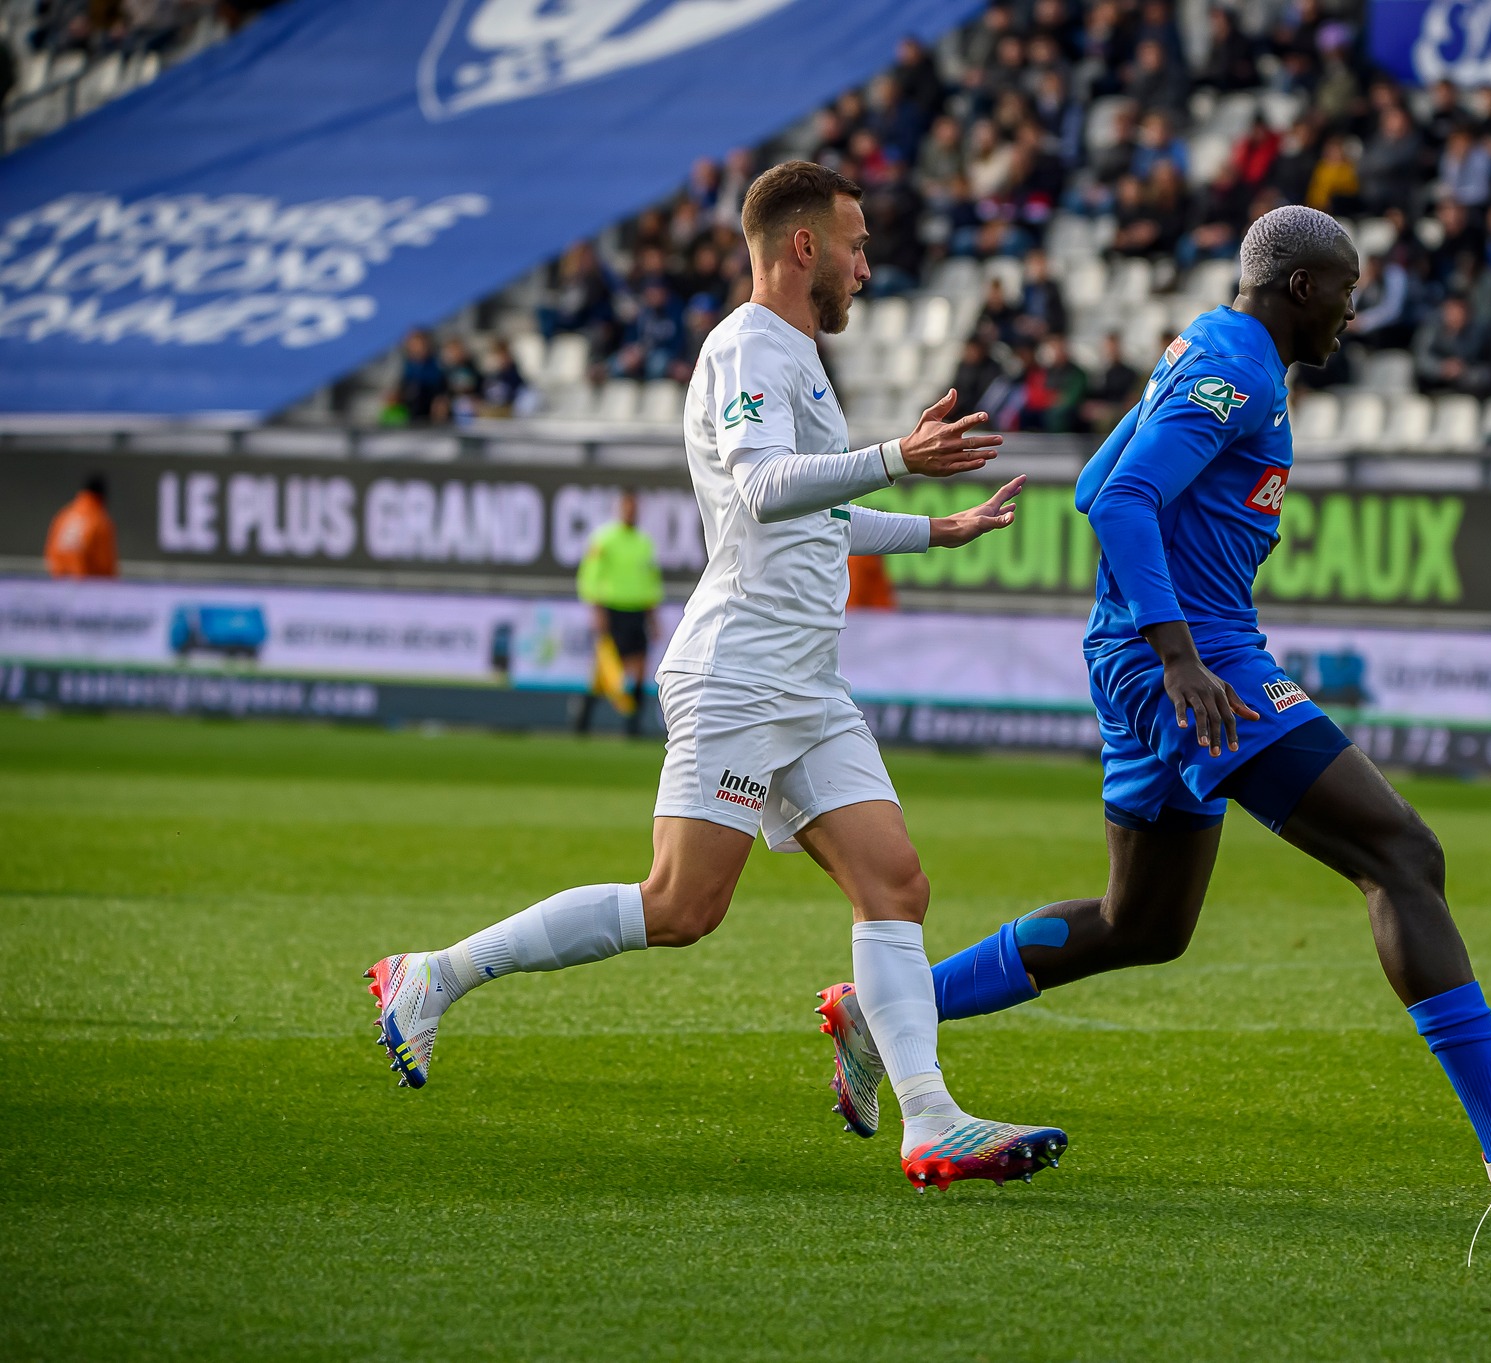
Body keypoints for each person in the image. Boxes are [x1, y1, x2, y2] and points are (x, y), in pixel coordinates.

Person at [814, 206, 1491, 1207]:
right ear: (1300, 287)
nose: (1352, 310)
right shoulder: (1237, 365)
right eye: (1344, 290)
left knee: (1144, 920)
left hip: (1147, 654)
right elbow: (1122, 501)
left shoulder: (1211, 350)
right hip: (1195, 661)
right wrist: (1179, 653)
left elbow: (1092, 482)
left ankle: (884, 1007)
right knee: (1399, 853)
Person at [365, 162, 1061, 1194]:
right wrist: (895, 456)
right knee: (681, 905)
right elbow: (764, 484)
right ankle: (434, 974)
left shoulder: (799, 357)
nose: (868, 266)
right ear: (802, 247)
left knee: (895, 883)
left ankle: (932, 1120)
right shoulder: (747, 345)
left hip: (806, 679)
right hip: (737, 668)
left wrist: (932, 529)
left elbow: (817, 512)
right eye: (857, 244)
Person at [574, 490, 662, 737]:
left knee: (641, 669)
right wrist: (597, 609)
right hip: (613, 610)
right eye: (627, 507)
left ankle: (632, 726)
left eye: (635, 507)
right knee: (609, 671)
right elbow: (590, 576)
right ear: (619, 508)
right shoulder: (604, 540)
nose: (631, 511)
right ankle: (584, 715)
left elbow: (651, 582)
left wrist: (653, 618)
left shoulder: (644, 543)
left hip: (638, 611)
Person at [45, 474, 118, 578]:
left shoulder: (64, 514)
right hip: (87, 585)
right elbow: (104, 562)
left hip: (59, 582)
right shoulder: (99, 520)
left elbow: (51, 550)